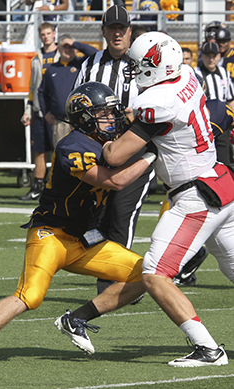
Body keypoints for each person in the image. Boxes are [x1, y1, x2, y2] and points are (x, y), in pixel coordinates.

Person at [0, 81, 157, 366]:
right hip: (51, 235)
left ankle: (76, 319)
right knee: (29, 296)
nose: (111, 118)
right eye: (104, 113)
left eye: (111, 112)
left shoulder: (101, 141)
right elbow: (115, 181)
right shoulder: (73, 146)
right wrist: (152, 154)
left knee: (149, 275)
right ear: (85, 116)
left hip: (83, 240)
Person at [100, 31, 234, 366]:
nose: (133, 70)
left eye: (138, 64)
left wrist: (105, 142)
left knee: (155, 272)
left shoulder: (155, 104)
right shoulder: (187, 75)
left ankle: (207, 349)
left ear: (156, 65)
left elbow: (115, 156)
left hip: (195, 196)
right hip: (219, 183)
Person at [74, 5, 155, 295]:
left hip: (135, 147)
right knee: (96, 218)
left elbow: (160, 101)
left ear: (130, 31)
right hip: (100, 148)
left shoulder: (144, 62)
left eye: (122, 28)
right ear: (104, 31)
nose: (117, 33)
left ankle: (119, 284)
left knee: (122, 214)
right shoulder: (90, 64)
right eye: (112, 28)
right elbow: (76, 103)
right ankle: (110, 276)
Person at [20, 22, 60, 202]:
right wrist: (28, 110)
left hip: (57, 112)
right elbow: (32, 86)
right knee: (39, 151)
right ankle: (37, 186)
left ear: (54, 34)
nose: (46, 37)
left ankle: (57, 188)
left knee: (59, 151)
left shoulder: (62, 56)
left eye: (48, 33)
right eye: (43, 34)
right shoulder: (37, 57)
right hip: (39, 110)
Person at [38, 34, 98, 147]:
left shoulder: (82, 64)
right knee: (61, 154)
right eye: (65, 46)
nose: (68, 49)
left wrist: (75, 43)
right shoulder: (51, 70)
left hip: (82, 121)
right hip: (61, 122)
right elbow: (42, 92)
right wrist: (45, 112)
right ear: (58, 48)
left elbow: (95, 53)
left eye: (71, 47)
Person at [195, 41, 234, 166]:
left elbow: (230, 99)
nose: (211, 59)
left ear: (219, 56)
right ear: (202, 55)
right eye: (208, 55)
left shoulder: (224, 73)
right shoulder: (195, 73)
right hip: (204, 125)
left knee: (224, 161)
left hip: (222, 124)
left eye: (214, 55)